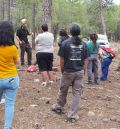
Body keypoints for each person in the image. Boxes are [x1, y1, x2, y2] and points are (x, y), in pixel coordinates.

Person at [52, 23, 88, 122]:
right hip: (79, 72)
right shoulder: (84, 44)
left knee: (63, 89)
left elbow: (62, 60)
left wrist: (63, 71)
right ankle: (72, 115)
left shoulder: (65, 43)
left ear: (70, 32)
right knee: (77, 93)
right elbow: (86, 59)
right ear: (79, 32)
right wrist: (83, 70)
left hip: (68, 71)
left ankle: (59, 107)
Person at [0, 21, 19, 129]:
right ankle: (7, 127)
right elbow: (16, 62)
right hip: (11, 79)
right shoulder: (13, 48)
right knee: (9, 105)